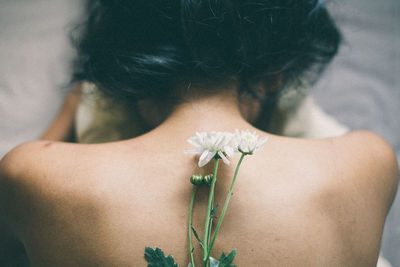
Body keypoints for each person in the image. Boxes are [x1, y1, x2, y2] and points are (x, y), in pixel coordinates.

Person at [0, 0, 398, 265]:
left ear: (123, 73)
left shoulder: (31, 172)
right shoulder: (368, 161)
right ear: (275, 74)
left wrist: (71, 111)